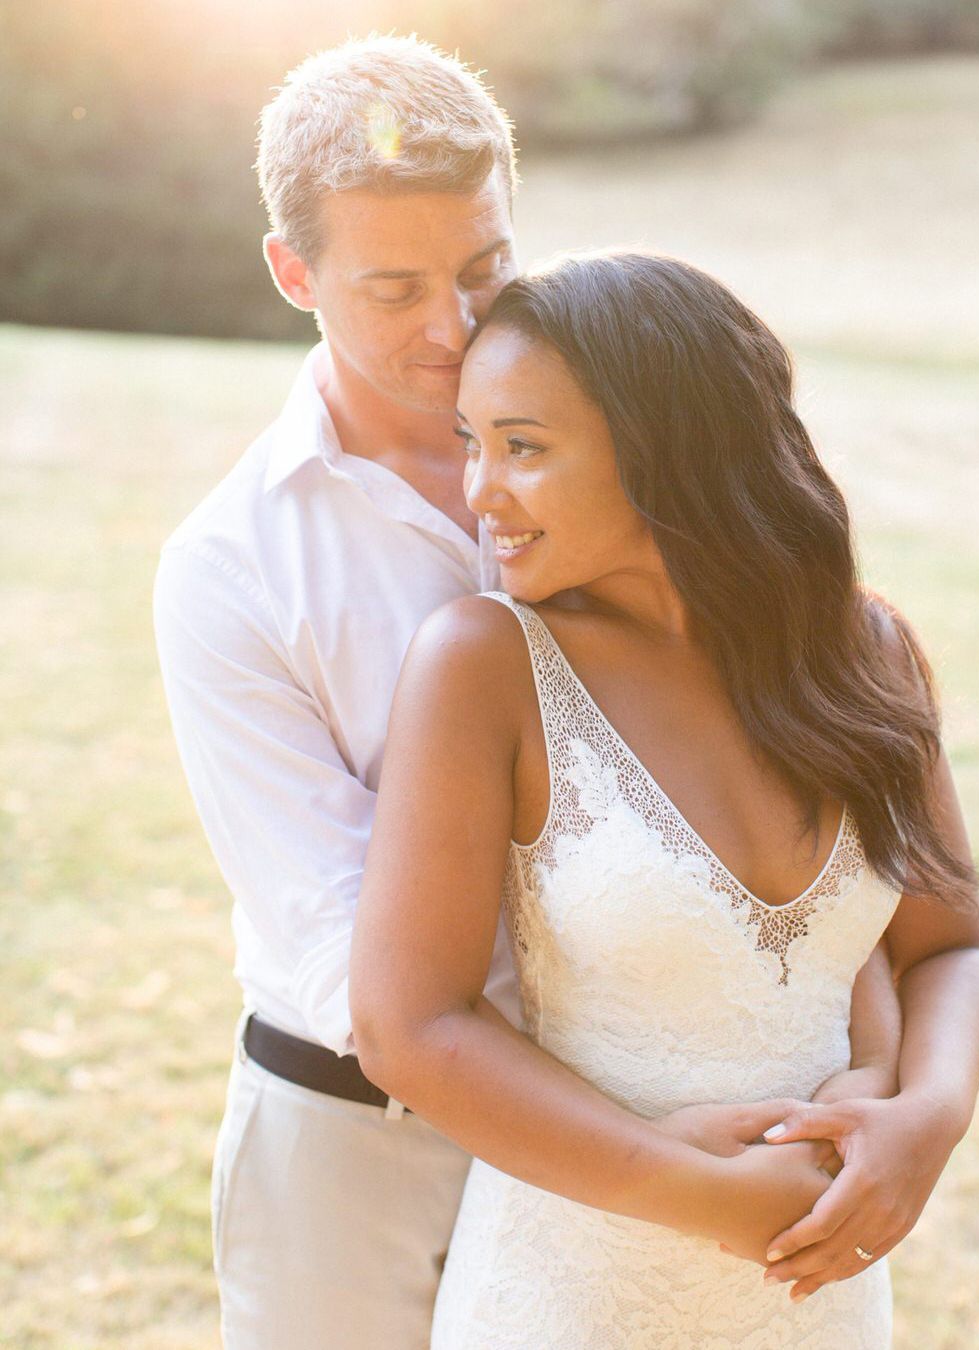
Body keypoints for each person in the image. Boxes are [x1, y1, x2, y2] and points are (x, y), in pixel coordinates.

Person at [349, 252, 979, 1346]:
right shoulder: (486, 663)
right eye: (474, 443)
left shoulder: (867, 653)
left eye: (523, 448)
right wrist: (697, 1193)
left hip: (821, 1300)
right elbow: (406, 1027)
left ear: (666, 451)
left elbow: (950, 950)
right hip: (574, 1293)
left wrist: (926, 1118)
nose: (481, 491)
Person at [153, 35, 522, 1349]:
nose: (456, 327)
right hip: (352, 1144)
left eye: (485, 269)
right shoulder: (230, 564)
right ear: (292, 273)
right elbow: (337, 954)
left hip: (633, 1095)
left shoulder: (623, 458)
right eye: (395, 289)